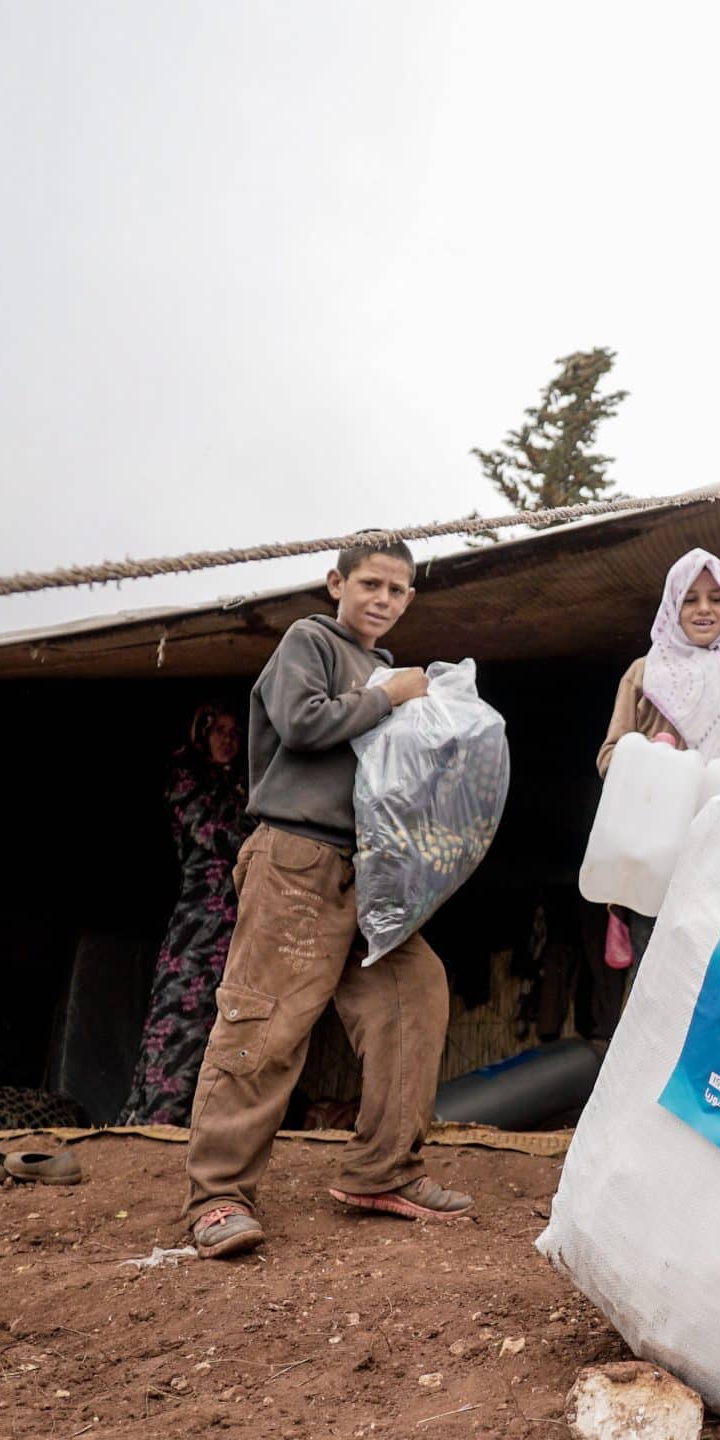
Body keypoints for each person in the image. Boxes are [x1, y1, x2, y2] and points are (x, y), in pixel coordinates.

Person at [180, 537, 469, 1261]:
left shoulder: (382, 672)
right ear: (336, 582)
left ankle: (382, 1170)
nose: (383, 599)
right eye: (370, 583)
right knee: (266, 1021)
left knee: (413, 993)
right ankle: (217, 1197)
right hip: (296, 857)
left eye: (398, 591)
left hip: (365, 867)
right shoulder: (312, 641)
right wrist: (388, 697)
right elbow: (306, 725)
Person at [595, 548, 720, 970]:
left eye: (716, 598)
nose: (704, 609)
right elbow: (609, 756)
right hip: (655, 858)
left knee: (718, 977)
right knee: (654, 983)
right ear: (672, 606)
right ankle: (623, 909)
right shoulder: (643, 673)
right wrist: (652, 760)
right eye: (690, 598)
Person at [118, 705, 253, 1126]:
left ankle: (191, 1120)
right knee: (178, 1018)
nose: (228, 739)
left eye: (235, 732)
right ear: (201, 735)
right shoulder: (187, 781)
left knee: (220, 1021)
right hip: (198, 928)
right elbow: (225, 838)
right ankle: (156, 1116)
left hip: (234, 924)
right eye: (219, 731)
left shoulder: (242, 787)